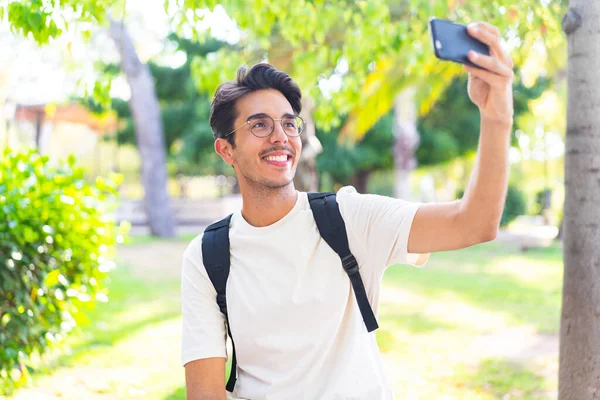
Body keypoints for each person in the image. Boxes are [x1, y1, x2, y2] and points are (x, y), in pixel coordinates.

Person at [181, 21, 514, 400]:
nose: (281, 136)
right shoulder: (207, 256)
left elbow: (473, 224)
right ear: (226, 150)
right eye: (260, 125)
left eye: (289, 123)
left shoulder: (347, 218)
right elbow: (205, 394)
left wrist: (496, 116)